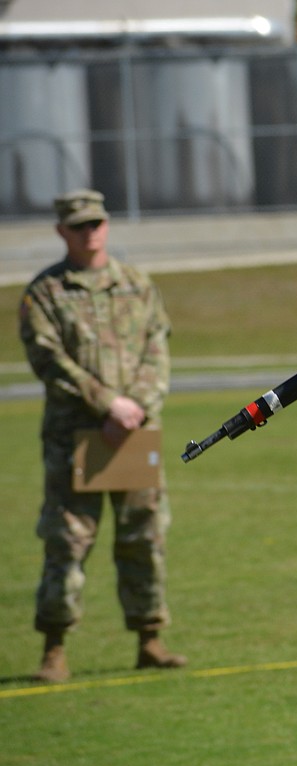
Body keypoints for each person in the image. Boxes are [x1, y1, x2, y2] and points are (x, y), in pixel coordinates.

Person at [19, 189, 186, 683]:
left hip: (135, 431)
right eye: (79, 226)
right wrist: (106, 403)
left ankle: (150, 640)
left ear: (107, 225)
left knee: (144, 537)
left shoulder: (137, 285)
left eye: (96, 223)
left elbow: (158, 348)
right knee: (67, 542)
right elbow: (49, 360)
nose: (90, 233)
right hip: (76, 437)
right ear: (61, 231)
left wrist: (134, 406)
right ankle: (55, 648)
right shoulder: (45, 292)